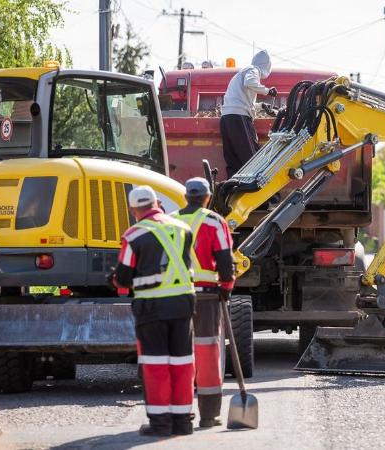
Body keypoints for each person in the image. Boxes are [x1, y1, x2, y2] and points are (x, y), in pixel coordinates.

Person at [110, 186, 197, 436]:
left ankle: (160, 423)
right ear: (157, 203)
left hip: (151, 308)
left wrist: (114, 279)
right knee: (182, 363)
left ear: (133, 209)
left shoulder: (133, 235)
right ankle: (183, 422)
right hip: (183, 304)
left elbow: (123, 279)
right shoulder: (183, 229)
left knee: (156, 364)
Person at [171, 178, 235, 428]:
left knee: (180, 355)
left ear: (186, 196)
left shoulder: (170, 221)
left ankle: (180, 412)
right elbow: (225, 261)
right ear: (208, 198)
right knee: (207, 353)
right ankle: (209, 415)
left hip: (176, 296)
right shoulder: (214, 222)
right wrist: (226, 289)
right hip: (207, 297)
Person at [220, 49, 277, 177]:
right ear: (267, 65)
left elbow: (241, 101)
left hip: (226, 118)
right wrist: (268, 91)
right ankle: (257, 186)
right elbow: (250, 82)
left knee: (233, 160)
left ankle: (233, 186)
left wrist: (261, 106)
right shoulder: (253, 70)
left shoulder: (241, 73)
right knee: (251, 158)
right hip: (239, 118)